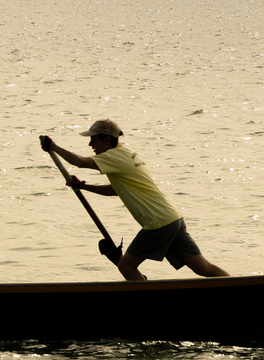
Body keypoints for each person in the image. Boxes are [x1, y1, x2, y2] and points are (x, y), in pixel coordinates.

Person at [40, 120, 228, 282]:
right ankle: (235, 286)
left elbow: (80, 162)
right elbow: (115, 190)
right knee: (202, 267)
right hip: (173, 218)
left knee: (126, 267)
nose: (90, 144)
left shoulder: (113, 157)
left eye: (93, 139)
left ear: (106, 140)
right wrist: (84, 186)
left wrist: (53, 146)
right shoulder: (125, 154)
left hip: (157, 223)